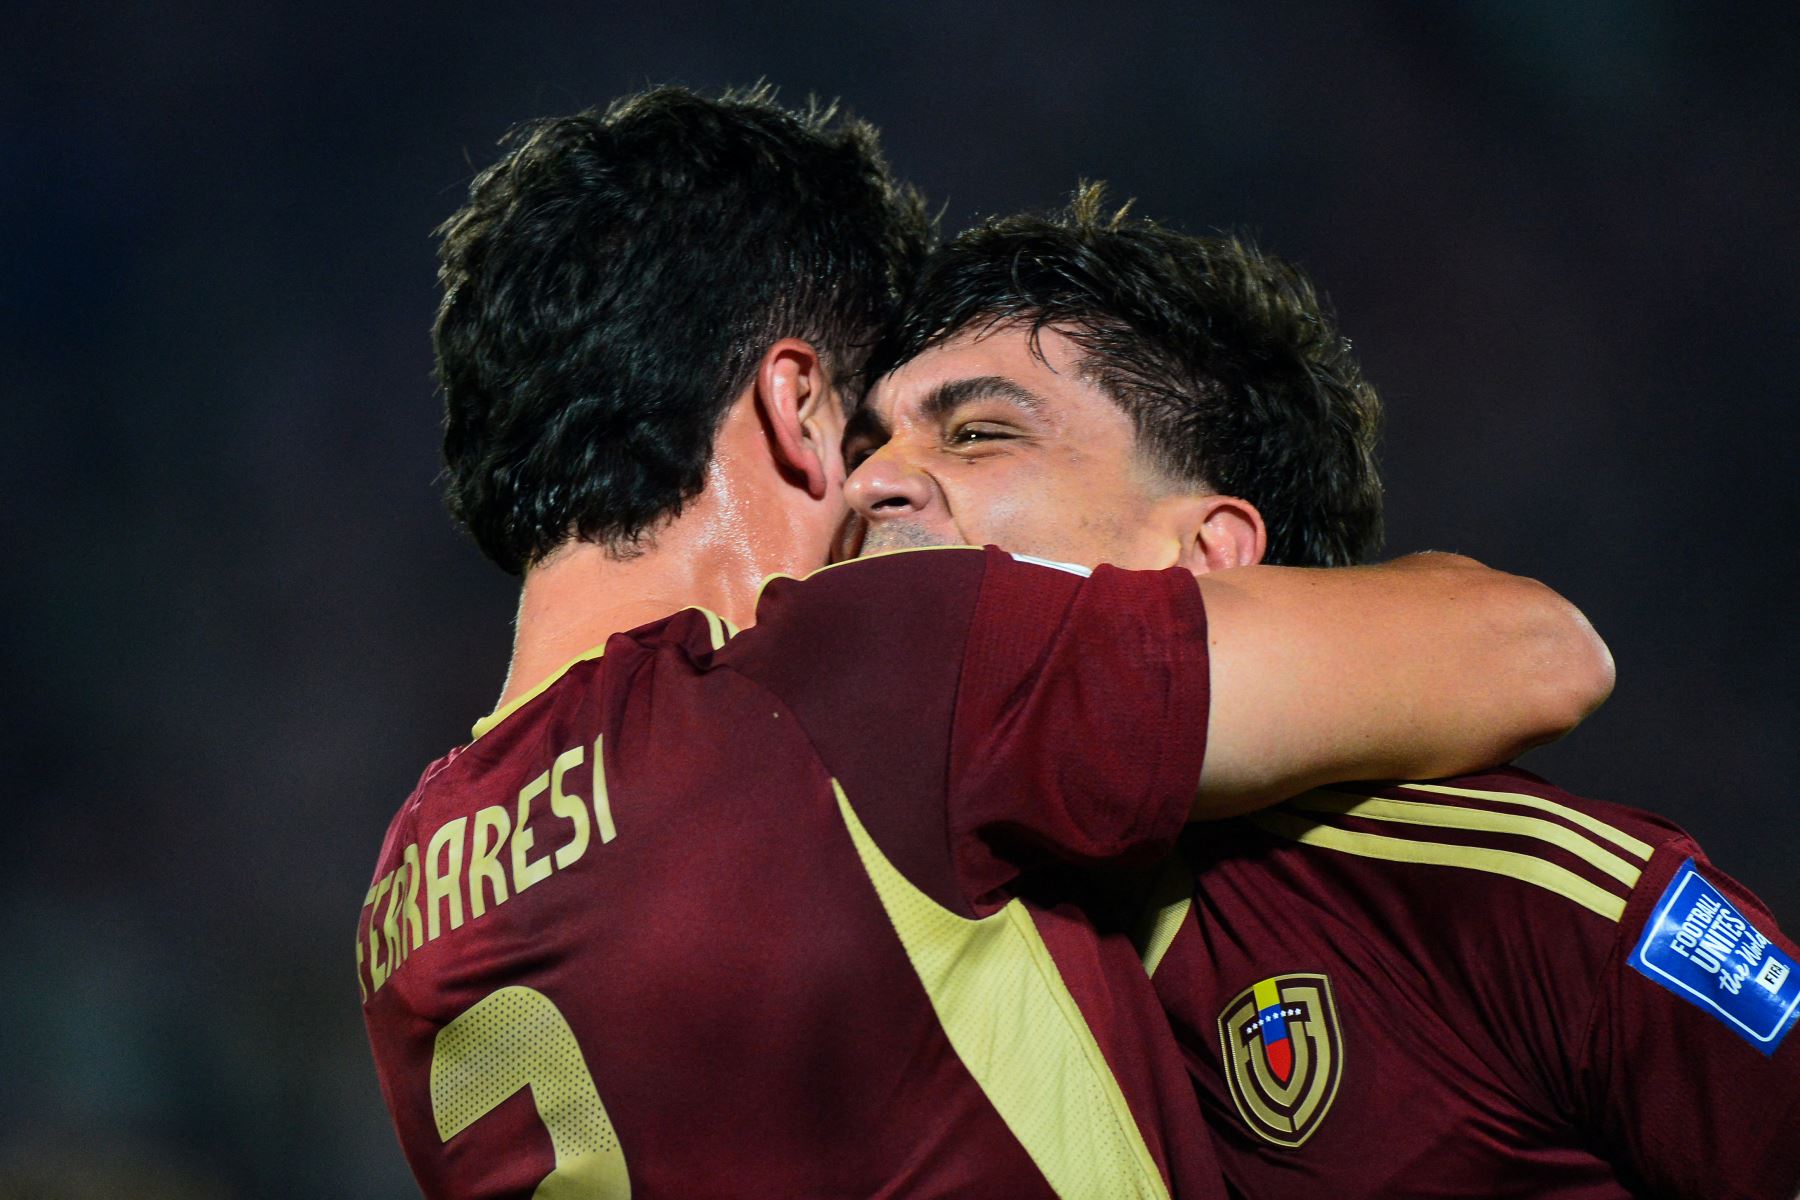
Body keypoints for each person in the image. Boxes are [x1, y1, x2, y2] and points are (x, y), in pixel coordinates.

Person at [357, 87, 1610, 1199]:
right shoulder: (844, 681)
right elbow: (1531, 649)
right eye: (862, 435)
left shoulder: (404, 909)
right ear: (797, 411)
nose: (882, 492)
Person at [843, 186, 1800, 1200]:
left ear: (1209, 557)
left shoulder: (1496, 897)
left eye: (980, 434)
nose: (870, 485)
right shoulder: (842, 928)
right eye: (866, 447)